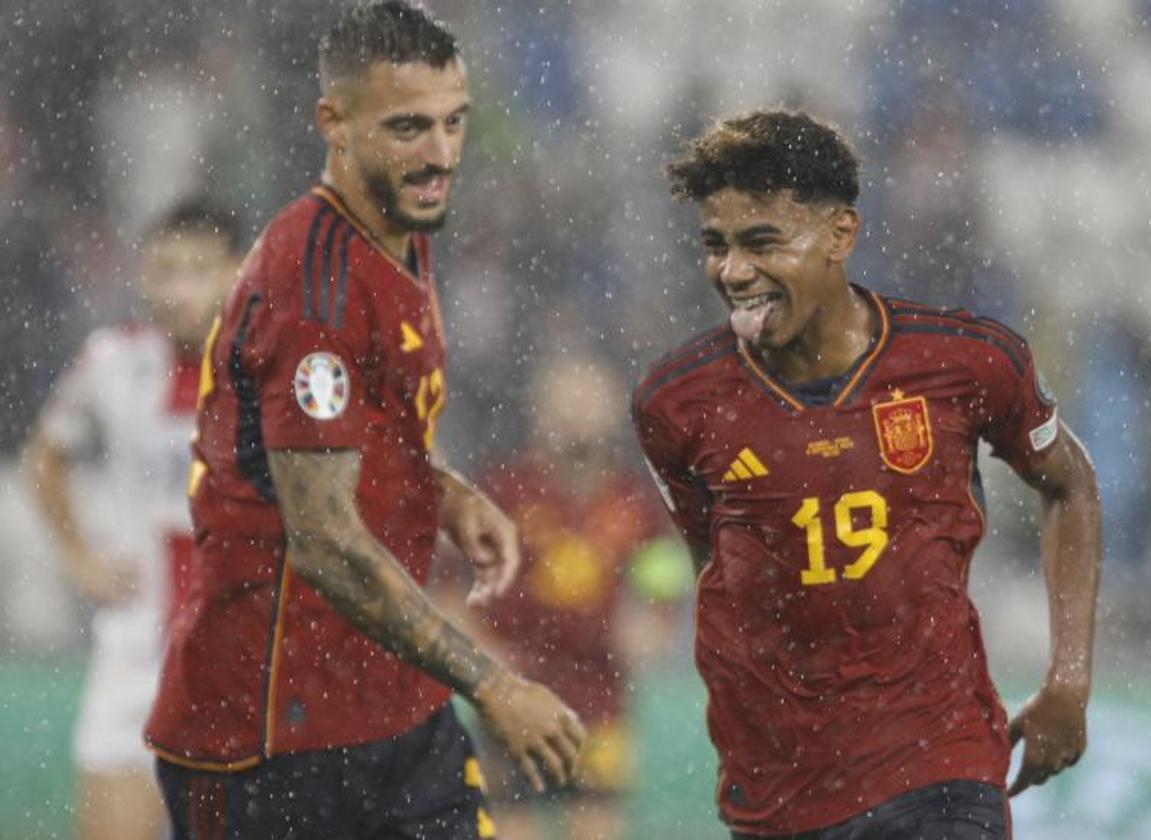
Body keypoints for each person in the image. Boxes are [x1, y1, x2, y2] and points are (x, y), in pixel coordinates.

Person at [144, 3, 584, 838]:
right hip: (266, 740)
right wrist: (494, 684)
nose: (441, 155)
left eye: (455, 123)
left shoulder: (398, 226)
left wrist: (444, 491)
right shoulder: (313, 290)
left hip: (390, 706)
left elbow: (372, 423)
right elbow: (326, 543)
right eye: (410, 128)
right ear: (334, 124)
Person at [632, 109, 1102, 839]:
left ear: (840, 236)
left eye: (762, 242)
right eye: (715, 246)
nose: (733, 271)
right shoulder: (676, 403)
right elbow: (714, 565)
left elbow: (1069, 485)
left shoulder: (964, 361)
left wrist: (1069, 680)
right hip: (778, 788)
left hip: (938, 764)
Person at [24, 199, 243, 840]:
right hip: (136, 649)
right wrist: (78, 557)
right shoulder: (113, 362)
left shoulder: (270, 369)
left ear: (237, 271)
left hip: (241, 655)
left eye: (197, 270)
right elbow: (45, 458)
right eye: (163, 271)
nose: (176, 290)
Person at [451, 354, 685, 840]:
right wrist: (487, 666)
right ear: (540, 409)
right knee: (510, 827)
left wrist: (651, 629)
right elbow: (451, 593)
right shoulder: (504, 488)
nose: (577, 413)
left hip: (598, 703)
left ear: (609, 411)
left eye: (588, 401)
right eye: (565, 401)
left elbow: (662, 588)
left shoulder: (634, 501)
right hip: (513, 704)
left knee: (596, 826)